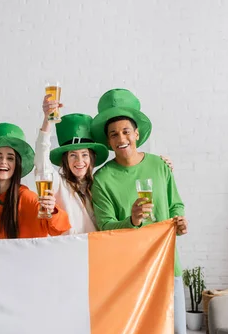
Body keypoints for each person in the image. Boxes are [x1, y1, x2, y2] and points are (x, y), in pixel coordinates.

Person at [90, 88, 191, 334]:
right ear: (108, 141)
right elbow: (105, 227)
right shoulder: (102, 179)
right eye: (113, 134)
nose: (121, 138)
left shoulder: (160, 167)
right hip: (129, 273)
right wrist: (132, 220)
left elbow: (176, 205)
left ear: (136, 133)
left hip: (166, 266)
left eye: (125, 131)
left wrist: (181, 220)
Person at [34, 95, 174, 234]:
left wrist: (160, 165)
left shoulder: (100, 183)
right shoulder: (59, 185)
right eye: (72, 155)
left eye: (84, 155)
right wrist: (47, 121)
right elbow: (42, 162)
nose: (79, 161)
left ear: (92, 158)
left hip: (99, 251)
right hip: (71, 250)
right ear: (65, 160)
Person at [0, 122, 70, 238]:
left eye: (10, 158)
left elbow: (59, 229)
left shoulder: (28, 198)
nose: (3, 162)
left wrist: (51, 209)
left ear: (16, 165)